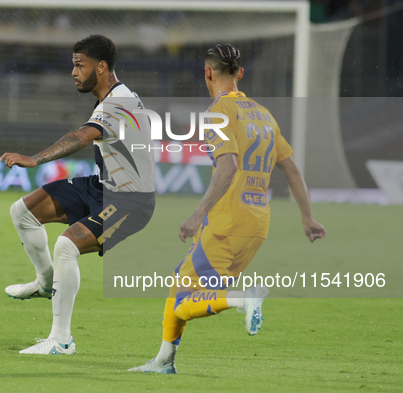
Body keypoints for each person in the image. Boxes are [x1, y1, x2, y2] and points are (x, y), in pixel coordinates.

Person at [129, 44, 327, 374]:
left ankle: (243, 299)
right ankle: (164, 361)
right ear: (240, 74)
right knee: (182, 282)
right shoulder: (264, 114)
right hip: (257, 225)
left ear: (207, 73)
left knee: (184, 301)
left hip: (225, 221)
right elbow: (291, 169)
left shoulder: (218, 112)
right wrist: (307, 217)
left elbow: (228, 166)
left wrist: (197, 214)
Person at [0, 35, 155, 355]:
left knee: (66, 245)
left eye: (79, 65)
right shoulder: (111, 97)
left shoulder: (118, 103)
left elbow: (81, 136)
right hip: (102, 186)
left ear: (101, 67)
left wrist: (35, 159)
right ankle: (45, 283)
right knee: (23, 211)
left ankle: (61, 340)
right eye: (73, 65)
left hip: (131, 201)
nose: (73, 72)